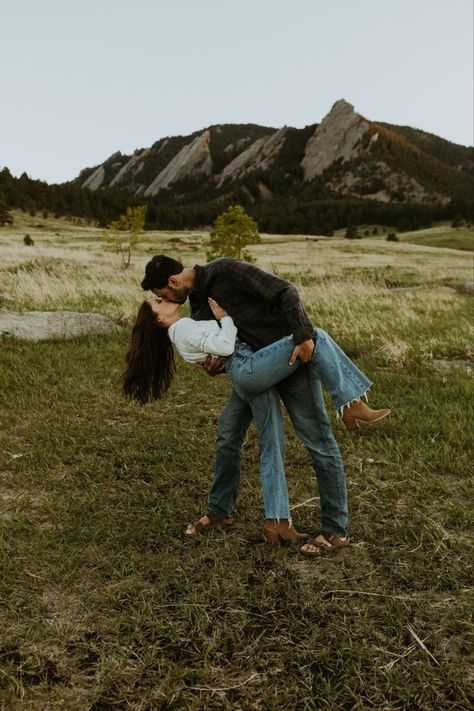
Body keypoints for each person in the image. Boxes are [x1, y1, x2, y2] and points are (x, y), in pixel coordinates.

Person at [136, 255, 390, 556]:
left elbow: (286, 292)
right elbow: (219, 346)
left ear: (173, 282)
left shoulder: (225, 270)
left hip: (291, 357)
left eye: (163, 296)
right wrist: (212, 363)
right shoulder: (197, 306)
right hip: (254, 372)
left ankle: (335, 528)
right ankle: (222, 511)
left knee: (318, 441)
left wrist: (303, 336)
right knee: (228, 434)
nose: (164, 300)